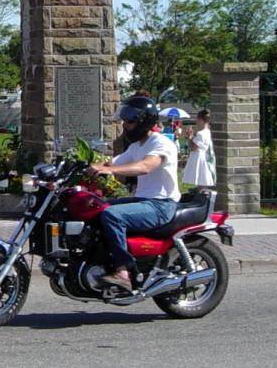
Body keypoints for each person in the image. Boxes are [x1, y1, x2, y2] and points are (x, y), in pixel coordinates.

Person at [88, 96, 180, 291]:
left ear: (143, 121)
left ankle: (123, 271)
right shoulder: (137, 146)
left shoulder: (161, 143)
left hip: (161, 204)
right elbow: (113, 162)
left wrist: (110, 171)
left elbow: (145, 166)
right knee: (96, 207)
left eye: (129, 121)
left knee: (112, 215)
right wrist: (87, 166)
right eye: (124, 121)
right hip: (144, 200)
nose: (125, 125)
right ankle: (102, 262)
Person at [183, 109, 215, 187]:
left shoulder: (201, 133)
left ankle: (202, 196)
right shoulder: (208, 131)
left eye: (197, 119)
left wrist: (190, 137)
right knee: (202, 180)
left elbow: (194, 147)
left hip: (199, 157)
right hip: (205, 156)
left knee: (200, 180)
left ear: (201, 120)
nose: (196, 121)